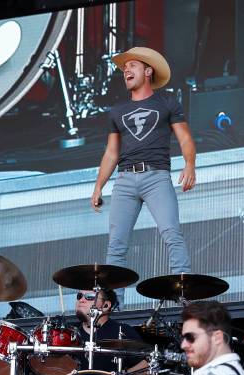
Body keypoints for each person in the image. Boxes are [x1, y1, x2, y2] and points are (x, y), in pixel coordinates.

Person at [91, 46, 195, 305]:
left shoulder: (167, 102)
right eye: (124, 68)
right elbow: (111, 153)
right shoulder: (117, 111)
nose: (126, 70)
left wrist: (190, 164)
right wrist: (98, 187)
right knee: (116, 245)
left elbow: (185, 138)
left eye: (132, 66)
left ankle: (183, 294)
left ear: (148, 71)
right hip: (125, 180)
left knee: (171, 233)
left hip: (156, 176)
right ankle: (114, 305)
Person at [75, 288, 148, 375]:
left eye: (89, 297)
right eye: (79, 296)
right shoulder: (69, 334)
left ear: (106, 305)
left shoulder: (122, 331)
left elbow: (145, 366)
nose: (81, 300)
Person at [180, 301, 244, 375]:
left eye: (190, 337)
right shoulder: (240, 374)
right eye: (183, 338)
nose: (183, 345)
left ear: (217, 337)